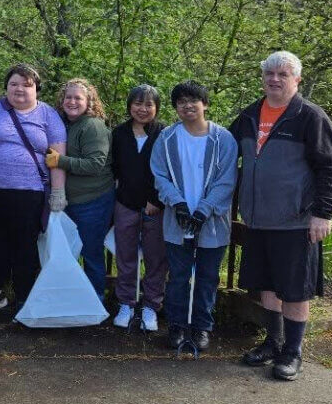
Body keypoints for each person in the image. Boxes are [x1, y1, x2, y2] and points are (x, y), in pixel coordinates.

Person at [231, 51, 332, 380]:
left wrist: (323, 213)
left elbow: (331, 167)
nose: (275, 79)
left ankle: (293, 352)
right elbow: (223, 147)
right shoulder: (251, 114)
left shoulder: (309, 116)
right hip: (258, 218)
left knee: (294, 289)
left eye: (283, 74)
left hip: (296, 220)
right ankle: (274, 343)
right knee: (267, 286)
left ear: (297, 79)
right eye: (270, 73)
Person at [150, 81, 237, 352]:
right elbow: (160, 175)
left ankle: (201, 327)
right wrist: (177, 204)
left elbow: (226, 181)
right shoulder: (166, 138)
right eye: (181, 101)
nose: (188, 105)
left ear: (205, 104)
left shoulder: (223, 139)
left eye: (193, 100)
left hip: (212, 222)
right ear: (175, 107)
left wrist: (203, 209)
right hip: (178, 221)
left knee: (208, 277)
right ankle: (176, 325)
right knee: (177, 276)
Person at [0, 63, 66, 313]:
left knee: (25, 245)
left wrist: (58, 193)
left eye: (26, 85)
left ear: (36, 89)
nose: (19, 89)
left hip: (30, 193)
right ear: (6, 87)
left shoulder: (48, 115)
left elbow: (58, 156)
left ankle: (25, 294)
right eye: (13, 84)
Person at [46, 78, 115, 299]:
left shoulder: (92, 126)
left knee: (91, 253)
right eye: (68, 97)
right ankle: (71, 300)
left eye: (78, 98)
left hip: (93, 202)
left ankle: (95, 301)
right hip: (70, 203)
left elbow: (95, 164)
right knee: (68, 254)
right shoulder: (64, 125)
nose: (72, 101)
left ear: (89, 101)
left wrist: (61, 161)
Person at [109, 84, 167, 331]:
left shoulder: (165, 134)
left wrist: (156, 200)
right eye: (138, 103)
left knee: (156, 258)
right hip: (125, 204)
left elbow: (168, 171)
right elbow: (113, 169)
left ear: (157, 108)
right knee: (125, 256)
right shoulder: (119, 133)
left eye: (148, 104)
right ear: (129, 105)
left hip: (156, 207)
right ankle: (126, 303)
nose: (143, 109)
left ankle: (151, 306)